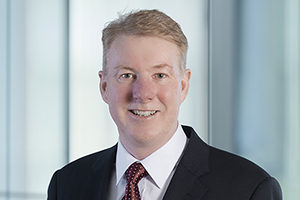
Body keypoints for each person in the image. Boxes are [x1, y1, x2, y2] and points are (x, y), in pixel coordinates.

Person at [47, 9, 282, 200]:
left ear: (184, 85)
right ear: (104, 87)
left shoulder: (249, 189)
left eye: (160, 75)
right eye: (127, 75)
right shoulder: (67, 184)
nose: (143, 93)